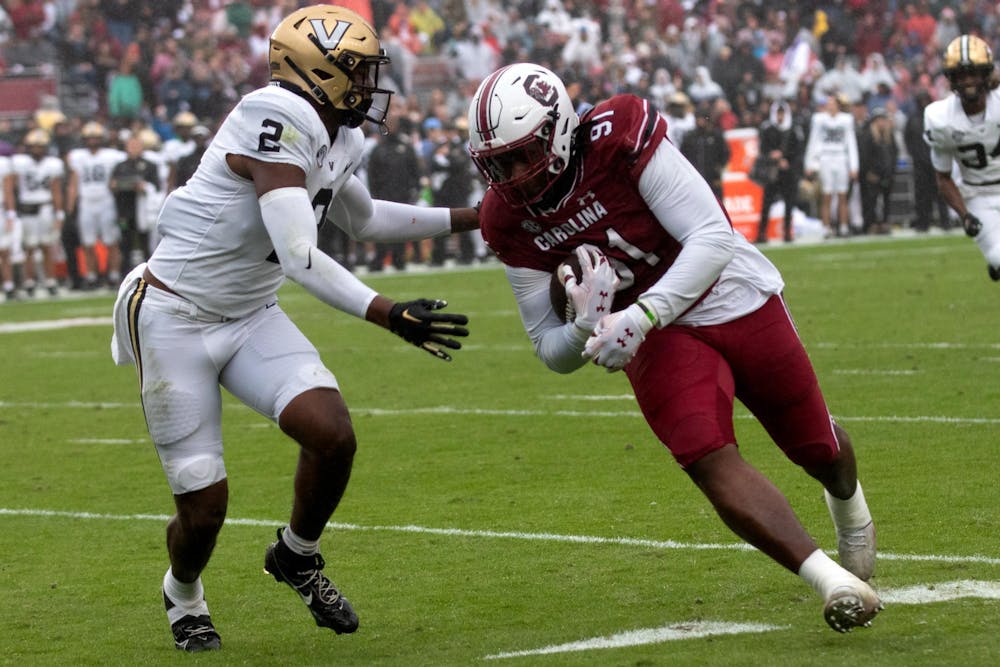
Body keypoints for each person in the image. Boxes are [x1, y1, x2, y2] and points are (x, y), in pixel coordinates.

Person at [110, 5, 478, 652]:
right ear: (318, 71)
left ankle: (296, 555)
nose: (368, 87)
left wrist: (475, 217)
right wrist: (387, 311)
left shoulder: (341, 135)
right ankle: (184, 591)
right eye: (357, 73)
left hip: (248, 311)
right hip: (173, 314)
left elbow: (362, 221)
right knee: (205, 507)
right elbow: (300, 254)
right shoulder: (275, 113)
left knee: (332, 434)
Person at [466, 63, 881, 634]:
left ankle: (852, 513)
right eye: (496, 163)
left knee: (816, 447)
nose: (510, 176)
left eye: (520, 155)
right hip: (656, 335)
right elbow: (547, 345)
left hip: (726, 292)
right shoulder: (504, 217)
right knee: (703, 452)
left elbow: (712, 236)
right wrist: (586, 326)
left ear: (559, 130)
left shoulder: (618, 135)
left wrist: (639, 314)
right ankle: (831, 581)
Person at [924, 35, 1000, 281]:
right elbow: (943, 177)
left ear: (986, 73)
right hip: (978, 195)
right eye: (961, 74)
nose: (968, 81)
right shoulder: (940, 118)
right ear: (951, 78)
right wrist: (965, 215)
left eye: (974, 73)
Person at [6, 128, 66, 297]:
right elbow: (13, 186)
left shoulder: (52, 164)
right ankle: (29, 281)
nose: (37, 149)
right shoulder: (19, 162)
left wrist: (59, 212)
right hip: (27, 207)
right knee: (29, 247)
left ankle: (50, 281)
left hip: (45, 207)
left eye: (40, 146)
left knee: (47, 246)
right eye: (34, 146)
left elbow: (56, 190)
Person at [66, 122, 126, 289]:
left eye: (96, 138)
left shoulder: (111, 155)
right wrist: (70, 207)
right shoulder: (78, 157)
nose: (92, 141)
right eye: (89, 138)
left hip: (106, 200)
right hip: (86, 202)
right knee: (88, 242)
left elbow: (121, 172)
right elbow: (73, 182)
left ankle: (113, 275)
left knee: (111, 240)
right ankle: (91, 276)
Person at [804, 94, 859, 238]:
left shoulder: (846, 120)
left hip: (841, 157)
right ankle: (826, 227)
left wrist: (854, 166)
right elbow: (813, 140)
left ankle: (843, 226)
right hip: (826, 157)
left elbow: (851, 142)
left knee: (842, 195)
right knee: (826, 195)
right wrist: (810, 162)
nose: (830, 106)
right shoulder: (819, 119)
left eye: (832, 103)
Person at [754, 101, 806, 243]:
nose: (780, 116)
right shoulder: (767, 128)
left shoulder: (795, 129)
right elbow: (762, 150)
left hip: (789, 173)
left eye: (782, 113)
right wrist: (772, 156)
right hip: (772, 173)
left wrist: (787, 161)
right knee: (766, 204)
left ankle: (787, 232)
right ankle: (761, 233)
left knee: (789, 204)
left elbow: (799, 151)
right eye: (778, 113)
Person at [109, 133, 161, 272]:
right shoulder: (120, 166)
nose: (133, 149)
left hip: (143, 209)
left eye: (136, 146)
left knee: (145, 242)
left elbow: (157, 186)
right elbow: (112, 185)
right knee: (125, 242)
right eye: (131, 146)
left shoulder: (150, 165)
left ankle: (149, 273)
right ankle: (124, 273)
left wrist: (144, 187)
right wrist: (114, 186)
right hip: (125, 208)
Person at [904, 90, 950, 232]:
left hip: (936, 160)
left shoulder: (936, 117)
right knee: (922, 195)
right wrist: (916, 156)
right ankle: (923, 222)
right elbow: (908, 140)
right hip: (920, 163)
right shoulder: (912, 119)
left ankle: (945, 221)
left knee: (941, 193)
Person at [857, 108, 898, 235]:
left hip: (887, 174)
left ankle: (885, 222)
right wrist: (868, 172)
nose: (881, 123)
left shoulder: (889, 136)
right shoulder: (868, 136)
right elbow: (864, 156)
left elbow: (895, 153)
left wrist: (891, 171)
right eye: (879, 120)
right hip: (872, 175)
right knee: (871, 201)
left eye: (883, 119)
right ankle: (871, 223)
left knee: (886, 200)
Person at [679, 103, 730, 200]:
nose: (700, 121)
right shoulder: (689, 137)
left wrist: (719, 168)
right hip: (694, 178)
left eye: (703, 118)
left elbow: (725, 153)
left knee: (717, 202)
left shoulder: (716, 136)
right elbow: (682, 155)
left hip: (713, 178)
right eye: (698, 119)